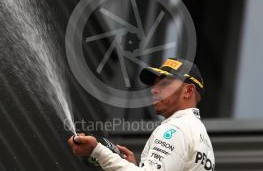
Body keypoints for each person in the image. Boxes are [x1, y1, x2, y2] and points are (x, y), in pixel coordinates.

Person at [68, 58, 215, 170]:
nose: (153, 90)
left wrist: (96, 151)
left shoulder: (176, 128)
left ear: (188, 91)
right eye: (154, 84)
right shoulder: (201, 136)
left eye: (164, 84)